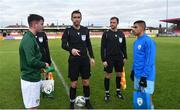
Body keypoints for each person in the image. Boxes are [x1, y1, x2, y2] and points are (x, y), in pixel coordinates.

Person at [61, 10, 95, 109]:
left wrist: (92, 57)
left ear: (81, 18)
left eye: (78, 17)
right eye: (74, 17)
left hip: (84, 60)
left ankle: (87, 102)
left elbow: (88, 44)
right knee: (74, 83)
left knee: (86, 82)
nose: (76, 19)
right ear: (71, 19)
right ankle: (72, 103)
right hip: (73, 60)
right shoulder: (68, 30)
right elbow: (63, 45)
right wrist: (71, 49)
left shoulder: (85, 30)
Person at [19, 14, 49, 109]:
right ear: (35, 25)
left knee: (35, 106)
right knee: (33, 108)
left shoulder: (32, 37)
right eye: (41, 24)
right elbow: (31, 61)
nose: (43, 26)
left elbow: (34, 58)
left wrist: (40, 68)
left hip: (34, 77)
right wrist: (44, 64)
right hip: (30, 80)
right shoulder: (28, 39)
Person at [101, 17, 127, 102]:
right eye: (111, 22)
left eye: (114, 22)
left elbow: (124, 46)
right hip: (109, 58)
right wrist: (103, 60)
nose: (112, 24)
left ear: (117, 23)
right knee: (108, 75)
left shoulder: (121, 34)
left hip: (119, 58)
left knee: (119, 74)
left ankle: (118, 92)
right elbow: (103, 47)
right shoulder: (106, 33)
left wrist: (125, 57)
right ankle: (107, 93)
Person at [130, 20, 156, 108]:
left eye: (135, 27)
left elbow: (150, 61)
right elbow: (136, 58)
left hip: (146, 76)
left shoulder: (148, 41)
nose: (133, 29)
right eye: (133, 27)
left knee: (148, 99)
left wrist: (144, 76)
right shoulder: (136, 42)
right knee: (140, 99)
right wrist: (133, 70)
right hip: (137, 74)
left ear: (142, 28)